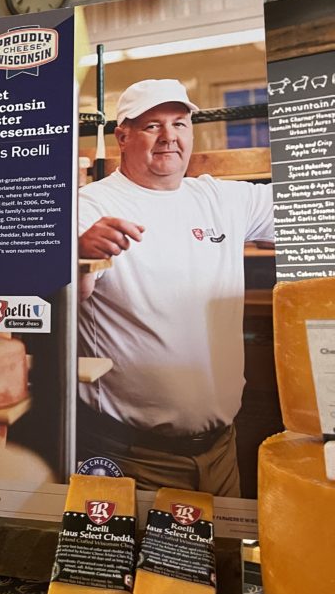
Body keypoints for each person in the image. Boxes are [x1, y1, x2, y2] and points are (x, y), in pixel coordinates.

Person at [78, 78, 274, 496]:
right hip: (130, 457)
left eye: (180, 124)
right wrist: (77, 255)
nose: (169, 137)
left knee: (223, 562)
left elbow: (310, 208)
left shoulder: (222, 200)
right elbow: (59, 300)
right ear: (123, 136)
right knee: (128, 564)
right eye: (153, 126)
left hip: (222, 452)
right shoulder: (88, 207)